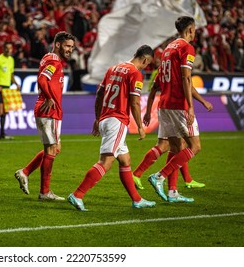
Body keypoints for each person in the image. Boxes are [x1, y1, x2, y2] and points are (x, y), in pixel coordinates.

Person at [68, 45, 156, 211]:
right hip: (117, 120)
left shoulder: (113, 68)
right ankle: (78, 194)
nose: (146, 67)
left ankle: (137, 199)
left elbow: (99, 94)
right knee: (106, 162)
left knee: (125, 160)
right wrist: (140, 126)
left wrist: (97, 118)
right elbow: (135, 102)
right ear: (145, 59)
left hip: (106, 118)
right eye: (147, 64)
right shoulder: (135, 73)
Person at [147, 16, 205, 203]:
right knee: (195, 146)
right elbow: (186, 78)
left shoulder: (167, 49)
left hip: (164, 104)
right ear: (189, 30)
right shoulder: (186, 48)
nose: (195, 32)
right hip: (179, 104)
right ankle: (159, 176)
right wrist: (191, 107)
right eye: (194, 29)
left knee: (175, 147)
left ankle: (172, 192)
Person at [14, 31, 75, 200]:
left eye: (72, 47)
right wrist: (49, 97)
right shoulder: (54, 60)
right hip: (49, 109)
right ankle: (44, 192)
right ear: (57, 44)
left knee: (55, 148)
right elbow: (42, 80)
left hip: (47, 109)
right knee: (52, 149)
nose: (70, 49)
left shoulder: (49, 58)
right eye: (67, 46)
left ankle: (25, 172)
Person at [133, 81, 213, 191]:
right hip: (178, 107)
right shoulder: (181, 65)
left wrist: (148, 112)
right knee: (189, 146)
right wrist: (202, 102)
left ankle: (180, 184)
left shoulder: (164, 66)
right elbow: (187, 83)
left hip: (164, 107)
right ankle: (159, 178)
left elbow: (153, 88)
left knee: (170, 145)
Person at [0, 41, 20, 140]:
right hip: (0, 87)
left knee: (5, 111)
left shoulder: (11, 59)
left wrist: (16, 84)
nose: (8, 50)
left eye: (10, 48)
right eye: (6, 48)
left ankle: (2, 133)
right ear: (3, 49)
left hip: (7, 88)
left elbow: (11, 74)